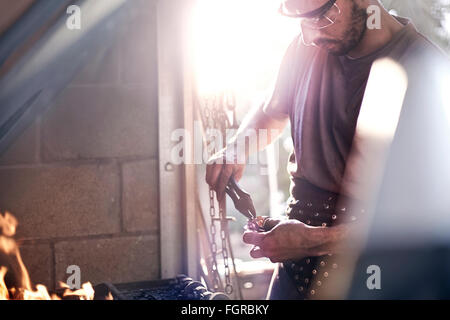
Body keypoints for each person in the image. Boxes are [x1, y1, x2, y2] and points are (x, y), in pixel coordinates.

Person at [205, 0, 450, 299]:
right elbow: (272, 110)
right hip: (293, 270)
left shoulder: (421, 70)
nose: (308, 35)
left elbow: (420, 226)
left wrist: (313, 241)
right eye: (299, 21)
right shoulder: (306, 47)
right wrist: (237, 147)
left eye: (319, 17)